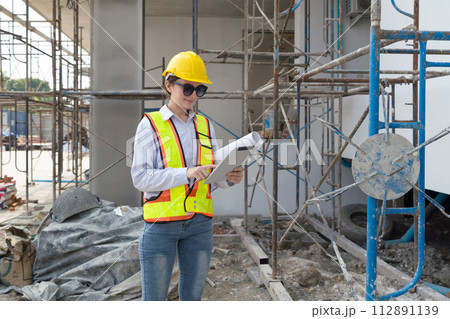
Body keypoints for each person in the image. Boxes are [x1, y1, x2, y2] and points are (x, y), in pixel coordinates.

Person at [131, 51, 243, 301]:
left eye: (199, 90)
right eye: (187, 88)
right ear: (169, 85)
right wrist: (186, 173)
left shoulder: (204, 125)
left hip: (199, 226)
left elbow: (211, 173)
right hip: (161, 224)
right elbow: (140, 178)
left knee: (192, 301)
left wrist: (228, 177)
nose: (193, 95)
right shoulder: (150, 125)